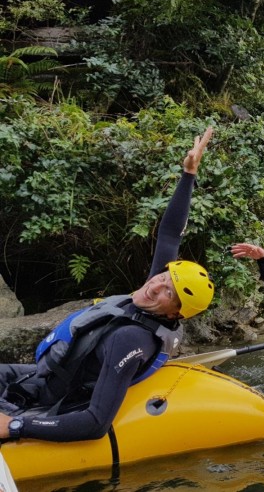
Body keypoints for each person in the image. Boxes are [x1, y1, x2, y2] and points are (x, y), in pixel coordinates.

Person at [0, 127, 215, 443]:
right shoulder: (150, 299)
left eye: (169, 291)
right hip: (39, 380)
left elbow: (96, 422)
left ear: (175, 314)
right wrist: (189, 173)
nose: (156, 285)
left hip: (49, 405)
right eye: (163, 277)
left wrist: (17, 427)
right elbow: (170, 234)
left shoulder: (131, 339)